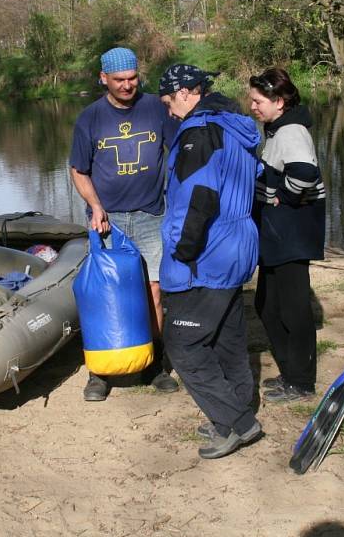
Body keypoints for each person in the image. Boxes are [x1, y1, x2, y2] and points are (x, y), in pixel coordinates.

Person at [158, 64, 262, 459]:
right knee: (227, 337)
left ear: (185, 92)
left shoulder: (197, 134)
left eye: (169, 101)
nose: (169, 111)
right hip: (237, 243)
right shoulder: (237, 127)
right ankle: (231, 414)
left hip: (206, 253)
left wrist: (183, 254)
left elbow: (196, 198)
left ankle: (238, 422)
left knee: (182, 343)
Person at [69, 47, 180, 401]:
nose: (128, 85)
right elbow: (78, 169)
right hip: (108, 221)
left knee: (153, 291)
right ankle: (99, 372)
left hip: (151, 214)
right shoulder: (90, 118)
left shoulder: (155, 109)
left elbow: (177, 152)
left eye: (133, 78)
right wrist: (95, 206)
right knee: (104, 293)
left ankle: (152, 362)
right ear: (103, 78)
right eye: (120, 80)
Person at [248, 68, 326, 402]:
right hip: (279, 232)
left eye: (258, 100)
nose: (253, 106)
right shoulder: (279, 128)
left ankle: (302, 382)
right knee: (267, 304)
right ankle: (291, 373)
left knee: (293, 309)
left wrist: (285, 198)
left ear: (279, 102)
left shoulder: (292, 130)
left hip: (292, 230)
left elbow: (305, 172)